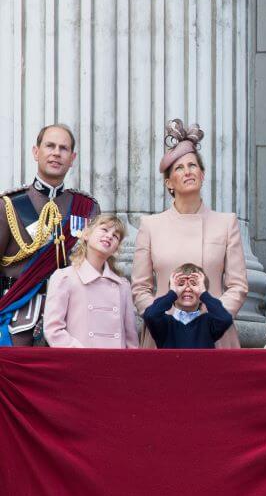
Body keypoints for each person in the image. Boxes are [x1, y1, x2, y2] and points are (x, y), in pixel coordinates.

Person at [131, 120, 248, 348]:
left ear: (202, 175)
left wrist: (214, 319)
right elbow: (140, 288)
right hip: (164, 334)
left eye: (193, 166)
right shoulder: (151, 225)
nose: (188, 172)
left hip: (215, 334)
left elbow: (238, 286)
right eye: (179, 168)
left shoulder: (226, 223)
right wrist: (161, 318)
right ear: (169, 183)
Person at [0, 123, 101, 346]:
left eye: (64, 148)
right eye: (50, 146)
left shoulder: (86, 207)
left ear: (72, 158)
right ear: (36, 152)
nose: (56, 152)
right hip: (19, 313)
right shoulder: (9, 205)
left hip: (72, 316)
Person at [42, 214, 138, 348]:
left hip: (116, 364)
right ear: (86, 234)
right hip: (79, 362)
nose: (109, 236)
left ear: (116, 249)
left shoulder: (123, 286)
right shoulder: (64, 277)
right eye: (104, 229)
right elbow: (53, 329)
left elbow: (131, 340)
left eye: (116, 236)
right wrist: (83, 354)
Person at [143, 263, 234, 349]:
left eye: (194, 284)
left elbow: (225, 319)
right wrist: (172, 293)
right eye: (181, 284)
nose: (187, 289)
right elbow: (150, 315)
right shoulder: (165, 323)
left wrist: (203, 293)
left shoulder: (208, 323)